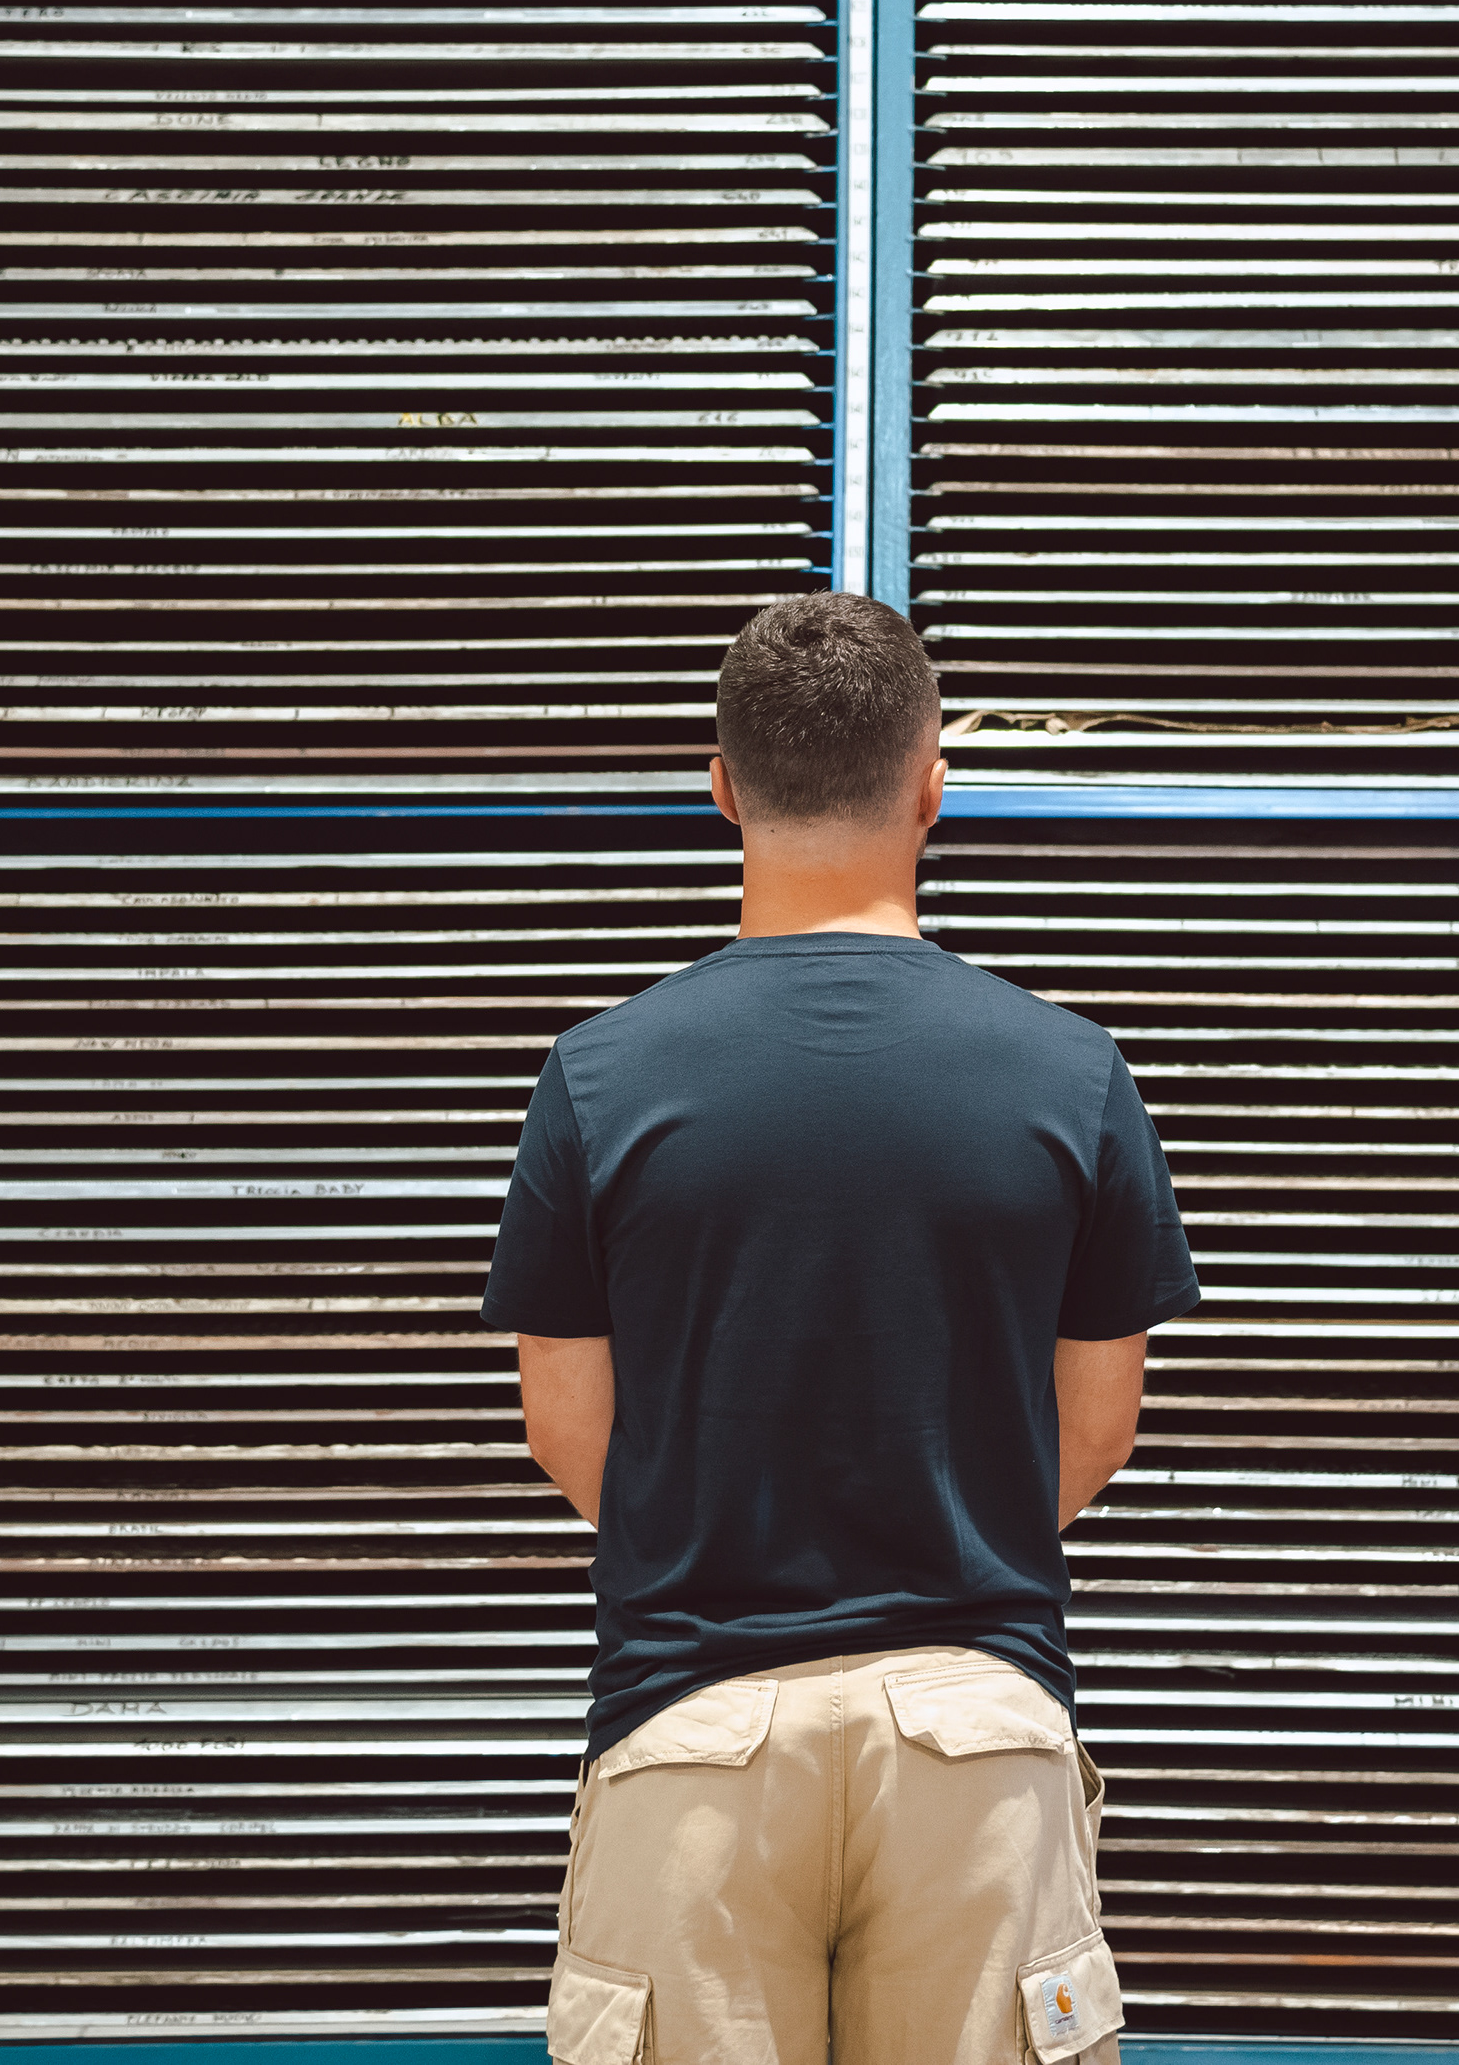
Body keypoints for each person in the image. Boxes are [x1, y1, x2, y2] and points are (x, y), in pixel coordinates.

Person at [482, 592, 1203, 2065]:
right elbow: (1096, 1427)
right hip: (977, 1731)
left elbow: (565, 1431)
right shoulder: (1071, 1073)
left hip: (691, 1725)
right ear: (933, 787)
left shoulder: (599, 1078)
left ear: (722, 788)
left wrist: (719, 1525)